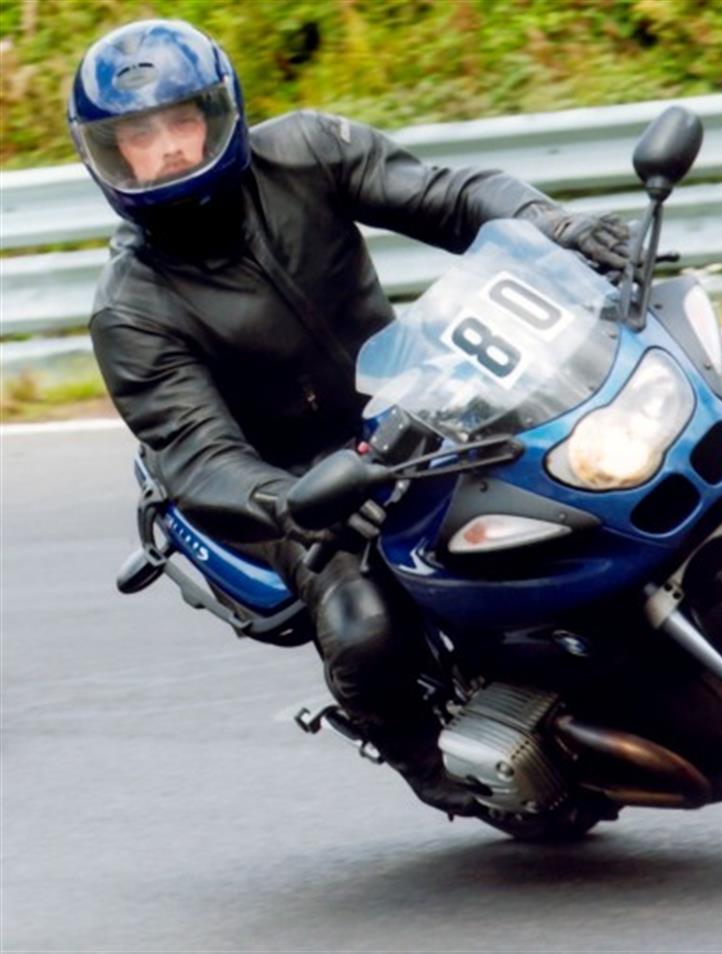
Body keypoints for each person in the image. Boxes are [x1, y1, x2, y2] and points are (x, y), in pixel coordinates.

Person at [70, 19, 630, 816]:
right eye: (138, 136)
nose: (168, 150)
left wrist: (552, 226)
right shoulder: (132, 309)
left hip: (410, 401)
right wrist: (295, 503)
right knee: (364, 623)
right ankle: (415, 751)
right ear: (107, 155)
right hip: (290, 480)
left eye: (181, 122)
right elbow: (197, 455)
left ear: (218, 114)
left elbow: (447, 195)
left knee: (581, 459)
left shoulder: (306, 151)